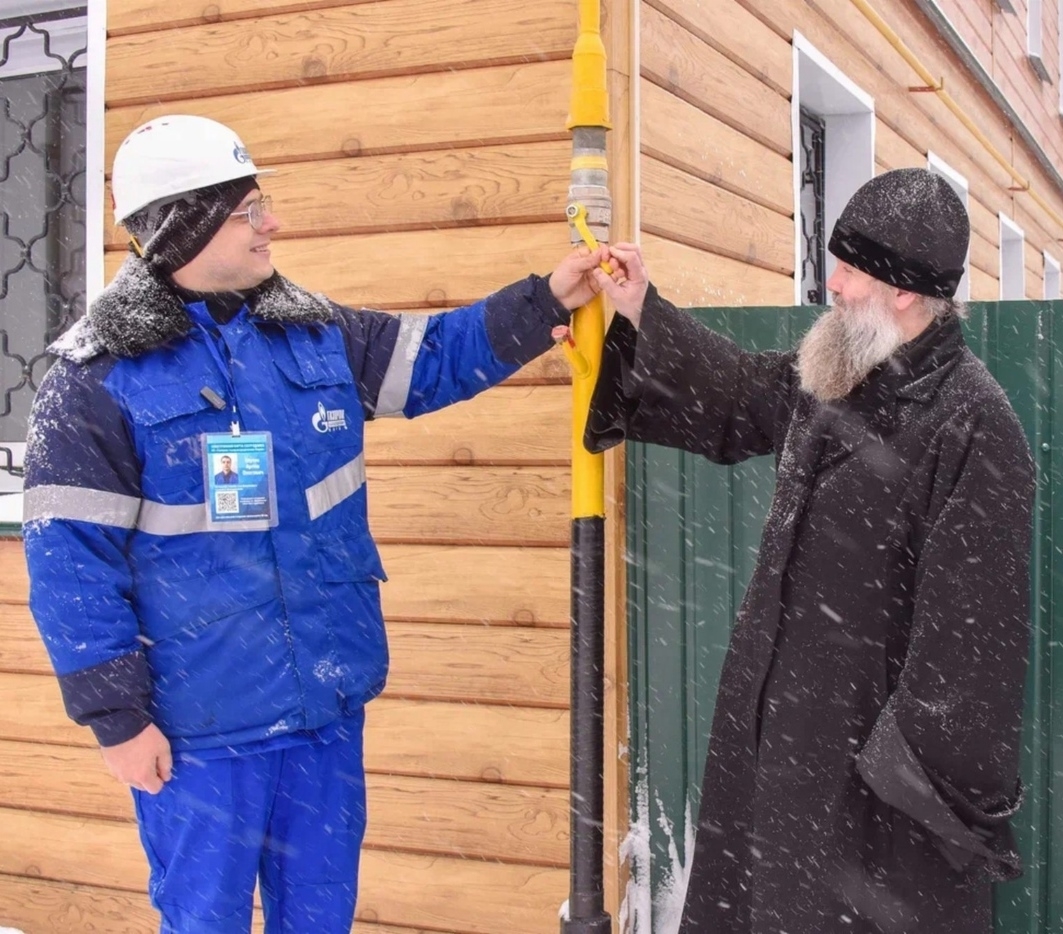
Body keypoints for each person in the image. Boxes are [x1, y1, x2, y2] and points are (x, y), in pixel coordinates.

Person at [21, 113, 607, 934]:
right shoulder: (94, 378)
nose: (273, 225)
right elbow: (69, 568)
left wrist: (544, 299)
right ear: (182, 223)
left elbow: (429, 355)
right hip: (201, 732)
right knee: (205, 922)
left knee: (320, 918)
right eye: (247, 210)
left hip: (322, 710)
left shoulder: (308, 328)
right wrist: (116, 720)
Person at [586, 169, 1033, 934]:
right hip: (775, 749)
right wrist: (639, 312)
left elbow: (970, 655)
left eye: (850, 268)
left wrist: (886, 787)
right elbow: (732, 394)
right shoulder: (842, 377)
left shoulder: (974, 427)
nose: (831, 283)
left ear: (901, 289)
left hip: (864, 799)